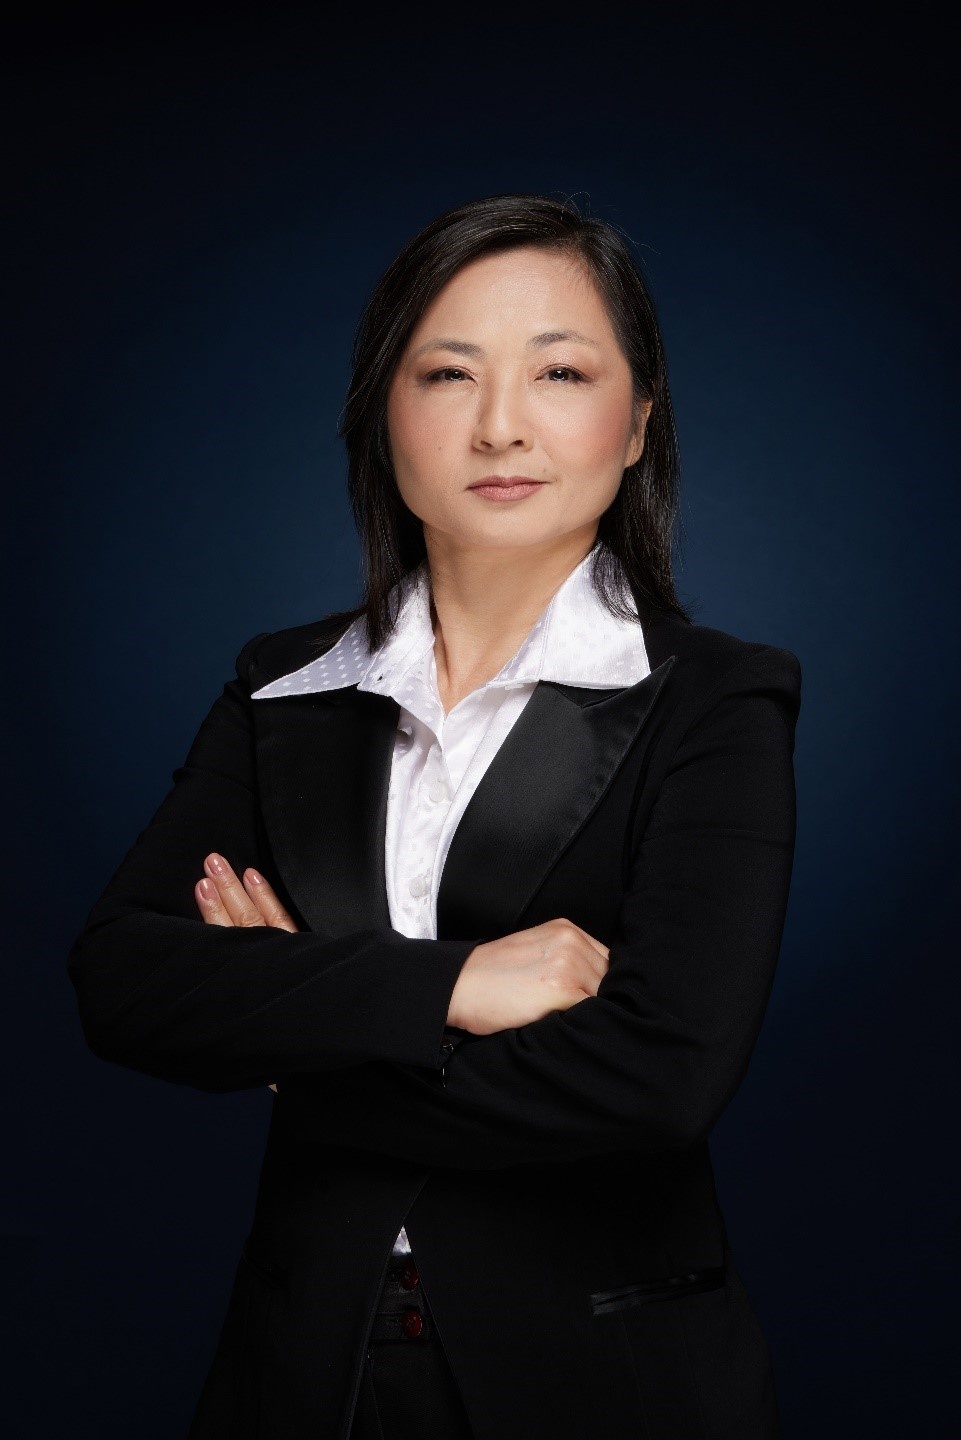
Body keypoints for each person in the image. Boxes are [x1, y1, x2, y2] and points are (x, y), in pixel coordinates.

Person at [68, 192, 801, 1440]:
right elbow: (125, 980)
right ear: (382, 414)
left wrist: (299, 1040)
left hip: (601, 1378)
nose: (500, 425)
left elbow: (658, 1081)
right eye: (448, 373)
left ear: (637, 422)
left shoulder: (715, 698)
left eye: (560, 372)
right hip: (303, 1366)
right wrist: (451, 985)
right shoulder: (285, 688)